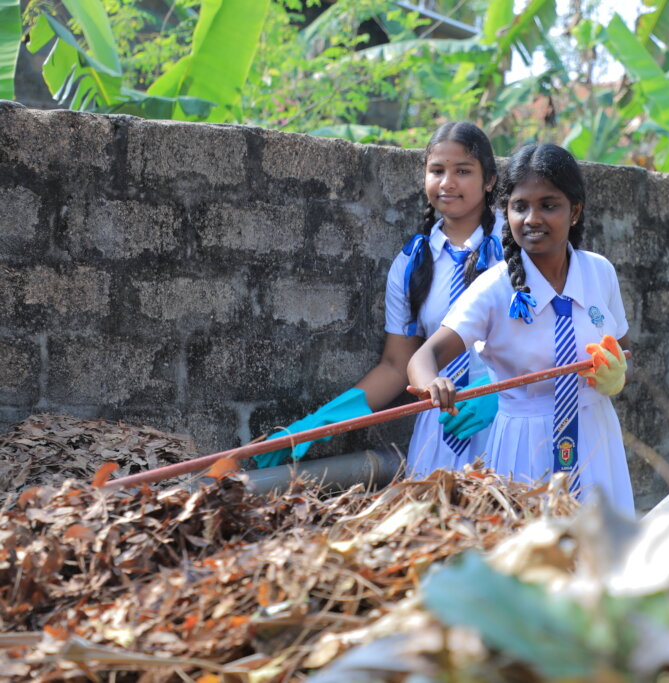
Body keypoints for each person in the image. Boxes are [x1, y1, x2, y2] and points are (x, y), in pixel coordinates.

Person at [254, 122, 504, 472]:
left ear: (489, 180)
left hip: (512, 419)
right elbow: (397, 366)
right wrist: (316, 426)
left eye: (463, 171)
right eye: (437, 171)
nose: (447, 183)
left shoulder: (517, 249)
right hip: (440, 429)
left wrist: (499, 390)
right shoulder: (412, 263)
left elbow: (554, 334)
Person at [407, 143, 634, 514]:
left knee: (601, 556)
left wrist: (617, 375)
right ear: (505, 211)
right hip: (523, 445)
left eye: (549, 205)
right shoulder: (495, 287)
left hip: (596, 436)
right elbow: (424, 355)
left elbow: (622, 351)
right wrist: (434, 382)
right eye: (520, 206)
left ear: (574, 212)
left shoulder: (600, 273)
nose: (532, 218)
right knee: (529, 556)